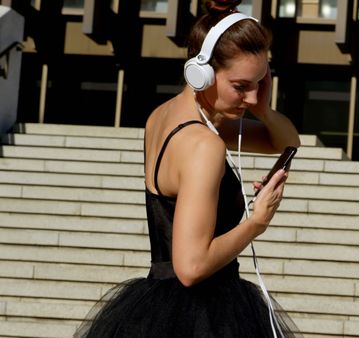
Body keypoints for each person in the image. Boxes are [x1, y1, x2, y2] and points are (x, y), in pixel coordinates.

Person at [74, 0, 302, 336]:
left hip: (159, 307)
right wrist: (257, 222)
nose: (251, 99)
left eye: (259, 83)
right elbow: (191, 268)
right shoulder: (203, 145)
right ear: (202, 72)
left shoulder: (165, 116)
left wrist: (265, 110)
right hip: (202, 313)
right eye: (240, 86)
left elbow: (285, 142)